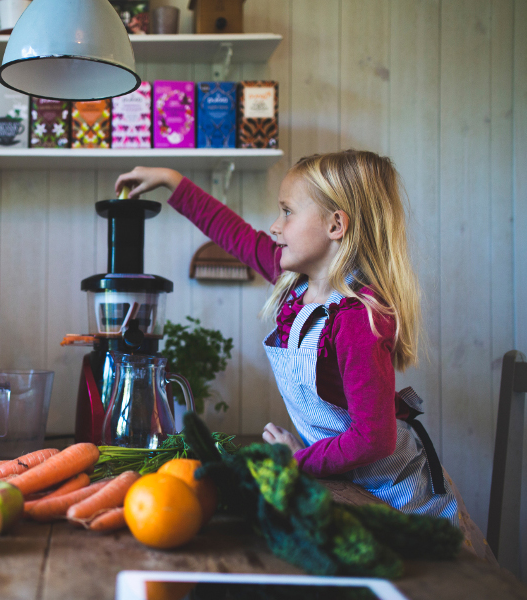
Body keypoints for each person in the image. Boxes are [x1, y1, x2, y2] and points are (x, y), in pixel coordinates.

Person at [115, 152, 458, 524]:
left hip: (396, 493)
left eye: (287, 211)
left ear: (335, 225)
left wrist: (298, 460)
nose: (275, 227)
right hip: (343, 480)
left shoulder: (358, 318)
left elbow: (374, 439)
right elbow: (236, 235)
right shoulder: (294, 284)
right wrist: (172, 180)